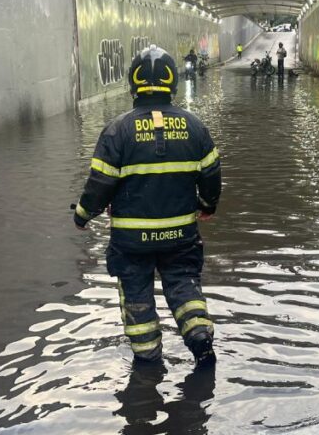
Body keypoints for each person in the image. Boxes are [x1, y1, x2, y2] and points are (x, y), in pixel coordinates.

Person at [74, 45, 222, 368]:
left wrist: (82, 215)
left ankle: (147, 366)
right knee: (184, 285)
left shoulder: (117, 131)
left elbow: (99, 183)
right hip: (180, 236)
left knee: (137, 297)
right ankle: (199, 336)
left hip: (131, 244)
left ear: (133, 84)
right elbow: (211, 173)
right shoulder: (194, 127)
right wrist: (207, 205)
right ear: (173, 84)